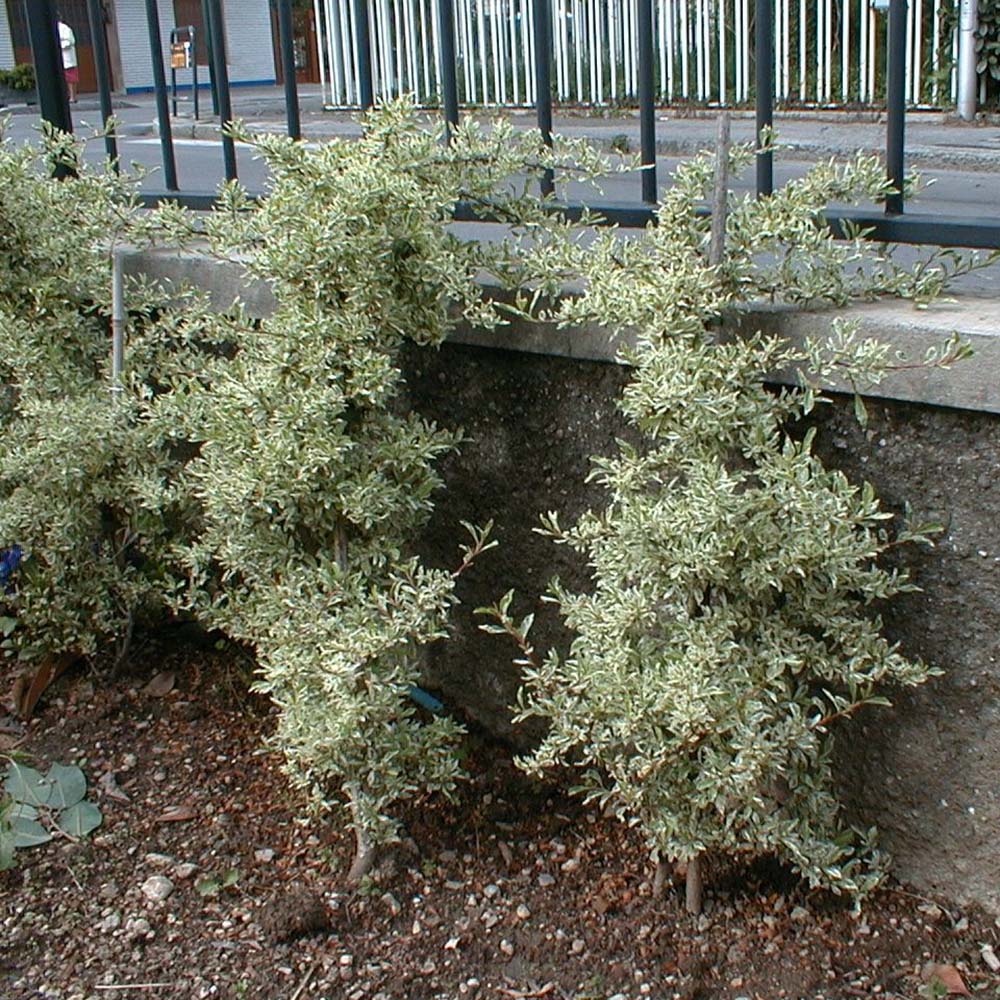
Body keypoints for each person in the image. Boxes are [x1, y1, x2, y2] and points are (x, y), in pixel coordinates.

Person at [57, 16, 78, 103]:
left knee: (71, 78)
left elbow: (70, 41)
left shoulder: (65, 28)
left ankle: (73, 97)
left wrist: (60, 46)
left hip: (67, 57)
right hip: (60, 57)